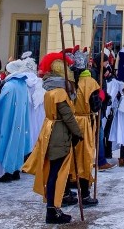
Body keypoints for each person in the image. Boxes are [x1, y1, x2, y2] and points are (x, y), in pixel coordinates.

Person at [22, 52, 83, 225]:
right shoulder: (59, 93)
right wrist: (78, 133)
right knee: (56, 173)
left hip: (50, 130)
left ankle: (53, 208)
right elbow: (68, 116)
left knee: (53, 171)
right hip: (59, 133)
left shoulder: (49, 90)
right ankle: (52, 209)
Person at [0, 59, 33, 183]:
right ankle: (15, 169)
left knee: (6, 143)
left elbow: (1, 104)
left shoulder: (9, 85)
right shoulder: (22, 85)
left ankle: (7, 171)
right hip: (19, 122)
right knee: (17, 144)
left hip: (8, 121)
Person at [70, 49, 102, 207]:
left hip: (68, 122)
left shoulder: (68, 82)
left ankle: (65, 193)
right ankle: (85, 194)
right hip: (83, 123)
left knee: (69, 158)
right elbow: (96, 105)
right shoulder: (90, 83)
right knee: (84, 157)